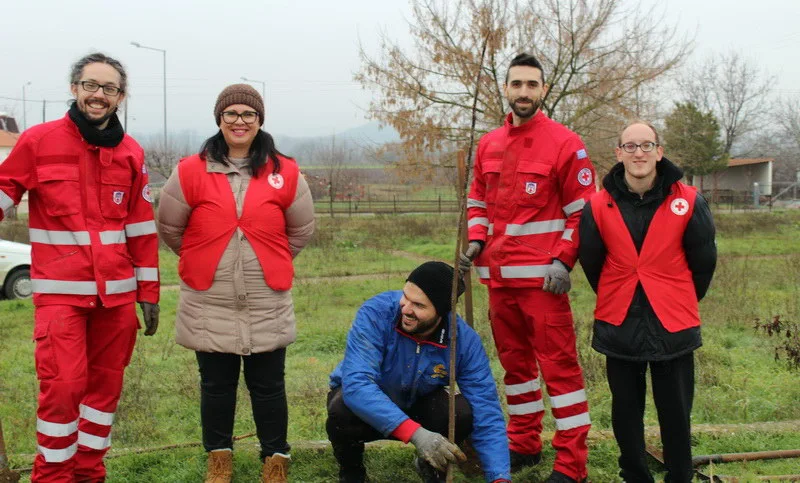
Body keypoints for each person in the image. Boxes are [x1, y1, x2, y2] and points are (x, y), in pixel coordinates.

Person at [0, 52, 160, 482]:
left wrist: (148, 294)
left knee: (103, 395)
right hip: (60, 296)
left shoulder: (130, 152)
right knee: (64, 390)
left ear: (120, 97)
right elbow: (4, 188)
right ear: (74, 88)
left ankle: (90, 473)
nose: (98, 95)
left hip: (117, 299)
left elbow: (141, 228)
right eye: (91, 85)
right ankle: (52, 476)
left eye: (109, 88)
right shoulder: (38, 141)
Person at [156, 83, 314, 483]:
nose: (239, 121)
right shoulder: (190, 171)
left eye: (248, 114)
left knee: (269, 386)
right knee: (215, 386)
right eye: (231, 114)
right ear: (219, 119)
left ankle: (275, 458)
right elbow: (171, 229)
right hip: (209, 299)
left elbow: (300, 231)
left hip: (267, 300)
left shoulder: (286, 171)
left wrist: (265, 259)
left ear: (260, 121)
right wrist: (209, 256)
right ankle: (219, 459)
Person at [459, 52, 594, 483]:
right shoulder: (488, 144)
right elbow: (477, 200)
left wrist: (563, 260)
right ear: (506, 88)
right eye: (516, 84)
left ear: (544, 90)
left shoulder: (566, 143)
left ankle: (572, 465)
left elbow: (583, 213)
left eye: (532, 85)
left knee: (561, 372)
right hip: (498, 282)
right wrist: (477, 239)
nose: (523, 92)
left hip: (543, 285)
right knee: (516, 372)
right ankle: (524, 443)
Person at [578, 121, 717, 482]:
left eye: (646, 145)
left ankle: (680, 476)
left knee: (675, 412)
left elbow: (703, 263)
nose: (638, 153)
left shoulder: (689, 200)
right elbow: (593, 263)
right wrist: (620, 291)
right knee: (626, 412)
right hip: (619, 321)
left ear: (659, 151)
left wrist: (676, 296)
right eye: (630, 146)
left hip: (673, 323)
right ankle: (635, 475)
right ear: (618, 154)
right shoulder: (596, 205)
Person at [326, 261, 512, 483]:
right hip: (369, 407)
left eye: (419, 305)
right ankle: (352, 472)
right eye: (405, 296)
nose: (405, 308)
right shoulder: (377, 313)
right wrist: (416, 435)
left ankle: (431, 466)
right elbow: (357, 385)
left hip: (419, 403)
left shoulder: (463, 341)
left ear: (441, 311)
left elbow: (487, 410)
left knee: (462, 413)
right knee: (340, 409)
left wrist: (499, 478)